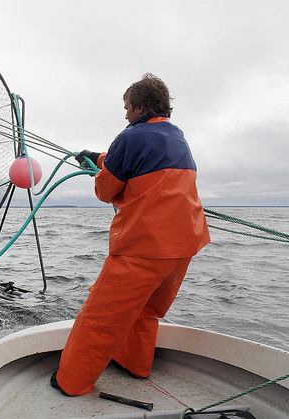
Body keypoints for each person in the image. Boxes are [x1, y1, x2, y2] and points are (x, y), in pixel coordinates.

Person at [51, 73, 210, 396]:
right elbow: (140, 162)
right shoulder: (176, 136)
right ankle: (133, 364)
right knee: (147, 310)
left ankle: (71, 383)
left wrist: (99, 170)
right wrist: (98, 158)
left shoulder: (129, 136)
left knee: (100, 317)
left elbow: (106, 190)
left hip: (145, 247)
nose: (125, 115)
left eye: (127, 108)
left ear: (139, 107)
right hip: (185, 246)